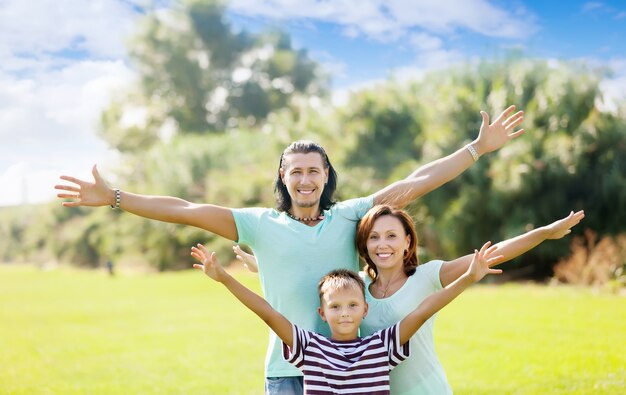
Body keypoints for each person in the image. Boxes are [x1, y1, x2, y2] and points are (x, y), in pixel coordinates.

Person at [55, 106, 524, 394]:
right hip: (288, 372)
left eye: (314, 170)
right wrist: (117, 198)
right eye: (295, 170)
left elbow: (415, 183)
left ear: (326, 177)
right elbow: (185, 209)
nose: (305, 179)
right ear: (283, 176)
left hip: (350, 370)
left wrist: (476, 149)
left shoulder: (350, 215)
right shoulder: (258, 225)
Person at [190, 241, 502, 395]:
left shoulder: (382, 346)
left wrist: (468, 278)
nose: (344, 313)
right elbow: (268, 313)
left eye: (352, 305)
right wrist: (225, 279)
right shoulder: (308, 347)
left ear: (365, 310)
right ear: (322, 313)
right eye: (335, 307)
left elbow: (425, 310)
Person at [354, 205, 585, 394]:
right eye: (373, 237)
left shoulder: (426, 276)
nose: (382, 244)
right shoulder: (355, 286)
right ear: (365, 243)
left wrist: (543, 232)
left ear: (407, 242)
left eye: (391, 236)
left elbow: (493, 253)